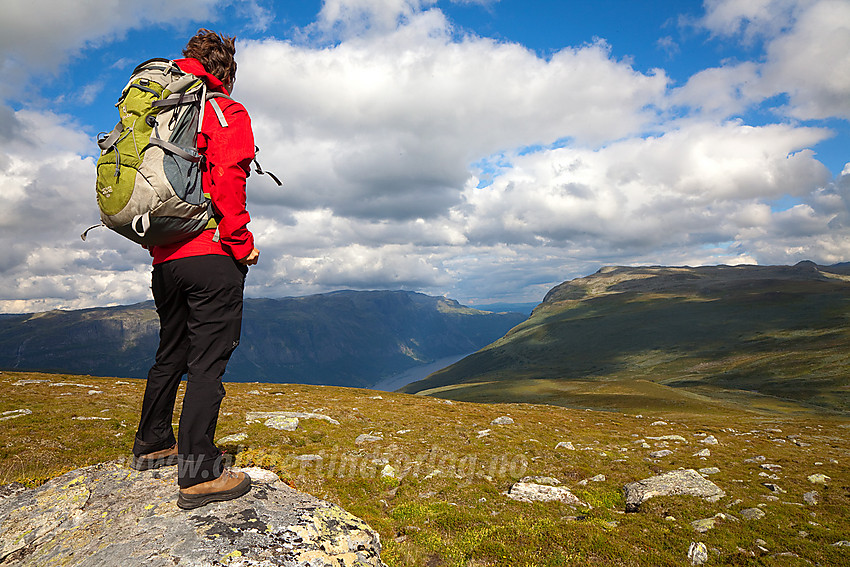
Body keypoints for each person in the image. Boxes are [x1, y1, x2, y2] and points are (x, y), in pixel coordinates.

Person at [129, 29, 258, 510]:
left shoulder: (160, 106)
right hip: (210, 258)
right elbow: (226, 177)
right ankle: (200, 473)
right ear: (226, 70)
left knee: (172, 353)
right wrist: (240, 243)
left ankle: (153, 442)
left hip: (165, 262)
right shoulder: (222, 107)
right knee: (207, 361)